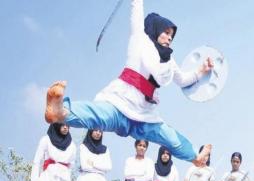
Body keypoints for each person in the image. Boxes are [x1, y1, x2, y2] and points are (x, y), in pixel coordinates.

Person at [44, 0, 211, 166]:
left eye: (171, 36)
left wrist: (200, 71)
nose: (169, 38)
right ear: (155, 28)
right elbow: (137, 11)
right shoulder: (139, 39)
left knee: (170, 137)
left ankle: (195, 157)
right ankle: (58, 112)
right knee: (95, 116)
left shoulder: (168, 60)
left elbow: (182, 79)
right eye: (166, 32)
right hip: (120, 105)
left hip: (145, 117)